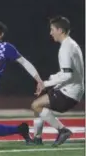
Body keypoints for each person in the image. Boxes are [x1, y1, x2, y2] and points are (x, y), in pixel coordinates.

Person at [31, 16, 84, 146]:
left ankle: (62, 130)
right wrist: (51, 79)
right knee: (38, 105)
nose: (51, 33)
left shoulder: (65, 48)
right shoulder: (71, 44)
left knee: (36, 105)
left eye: (52, 29)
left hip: (69, 92)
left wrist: (46, 84)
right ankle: (37, 138)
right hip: (72, 89)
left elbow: (67, 76)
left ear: (60, 30)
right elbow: (68, 72)